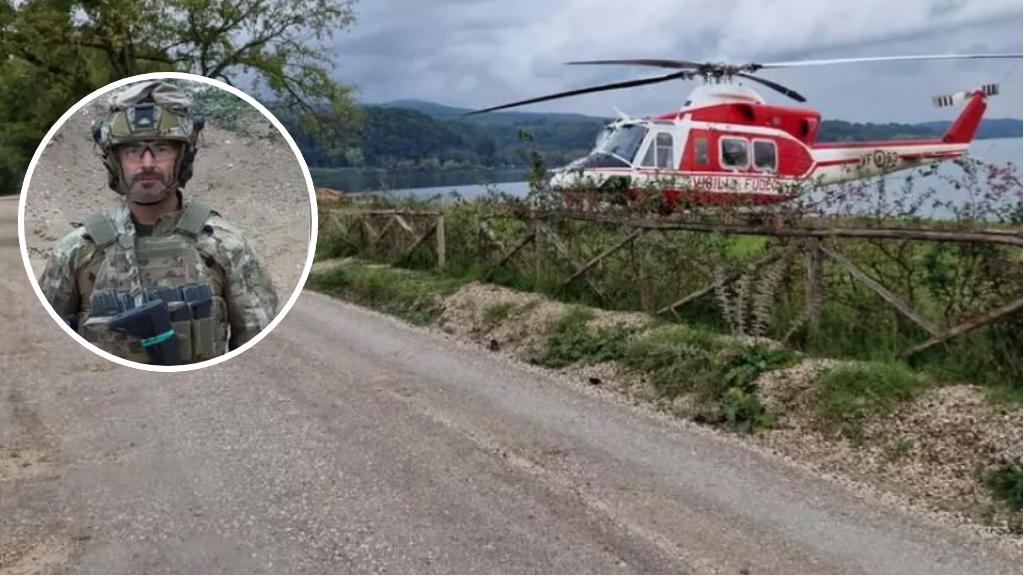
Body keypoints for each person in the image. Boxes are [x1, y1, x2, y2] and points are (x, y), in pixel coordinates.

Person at [39, 80, 278, 365]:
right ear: (115, 162)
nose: (147, 163)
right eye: (132, 151)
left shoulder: (225, 246)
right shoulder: (76, 251)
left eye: (162, 149)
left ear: (183, 158)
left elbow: (260, 356)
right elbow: (47, 354)